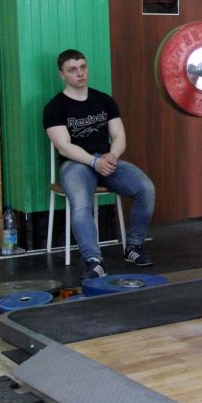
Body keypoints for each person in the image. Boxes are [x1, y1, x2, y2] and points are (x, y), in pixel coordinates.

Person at [43, 49, 156, 280]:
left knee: (145, 188)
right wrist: (94, 162)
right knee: (81, 204)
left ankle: (134, 247)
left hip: (106, 159)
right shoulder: (54, 107)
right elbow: (64, 147)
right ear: (62, 75)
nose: (80, 73)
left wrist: (113, 155)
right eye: (72, 70)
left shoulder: (104, 100)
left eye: (83, 67)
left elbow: (119, 136)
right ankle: (94, 261)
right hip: (76, 163)